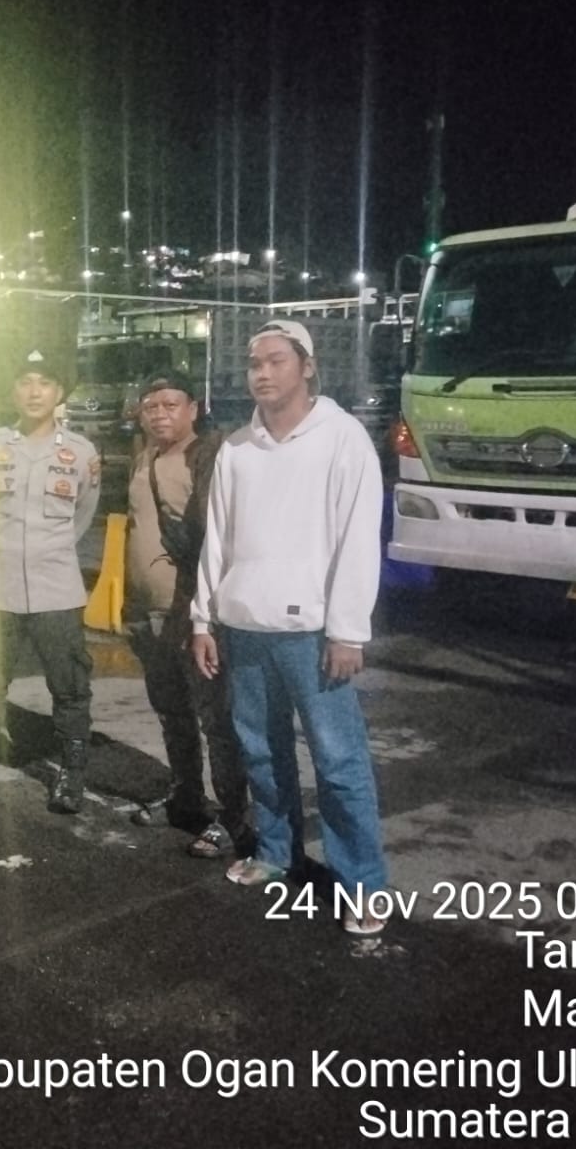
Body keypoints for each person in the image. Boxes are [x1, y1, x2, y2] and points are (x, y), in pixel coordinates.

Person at [189, 319, 389, 936]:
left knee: (338, 760)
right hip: (245, 627)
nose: (262, 373)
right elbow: (217, 540)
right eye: (255, 363)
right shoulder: (237, 449)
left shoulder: (342, 440)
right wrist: (204, 617)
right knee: (261, 750)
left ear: (307, 366)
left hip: (313, 636)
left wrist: (348, 630)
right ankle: (276, 851)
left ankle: (362, 884)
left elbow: (359, 539)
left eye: (276, 360)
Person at [0, 346, 100, 814]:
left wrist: (47, 552)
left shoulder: (81, 453)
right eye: (25, 382)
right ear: (12, 391)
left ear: (59, 392)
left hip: (57, 590)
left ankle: (72, 775)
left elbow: (82, 515)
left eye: (44, 382)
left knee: (70, 687)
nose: (34, 391)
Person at [124, 370, 252, 860]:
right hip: (147, 613)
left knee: (216, 720)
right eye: (151, 406)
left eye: (170, 404)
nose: (159, 414)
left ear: (193, 409)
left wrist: (205, 616)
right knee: (172, 713)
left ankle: (234, 817)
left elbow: (220, 540)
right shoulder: (144, 457)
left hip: (193, 615)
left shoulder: (208, 459)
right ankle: (185, 797)